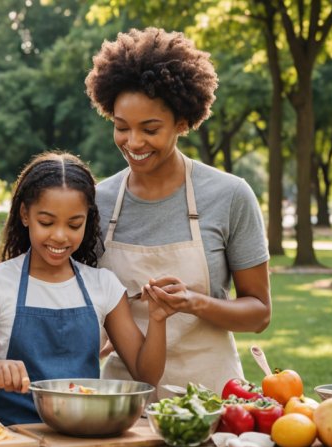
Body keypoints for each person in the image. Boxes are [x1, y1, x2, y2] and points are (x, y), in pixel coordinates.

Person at [85, 27, 271, 398]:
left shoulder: (230, 195)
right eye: (122, 128)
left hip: (211, 398)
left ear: (183, 123)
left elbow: (259, 312)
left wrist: (193, 302)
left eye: (150, 129)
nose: (133, 143)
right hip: (122, 399)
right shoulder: (97, 200)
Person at [0, 152, 167, 425]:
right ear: (24, 215)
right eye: (47, 222)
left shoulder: (103, 286)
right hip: (9, 435)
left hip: (81, 436)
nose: (60, 235)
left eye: (74, 224)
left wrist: (158, 319)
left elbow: (145, 375)